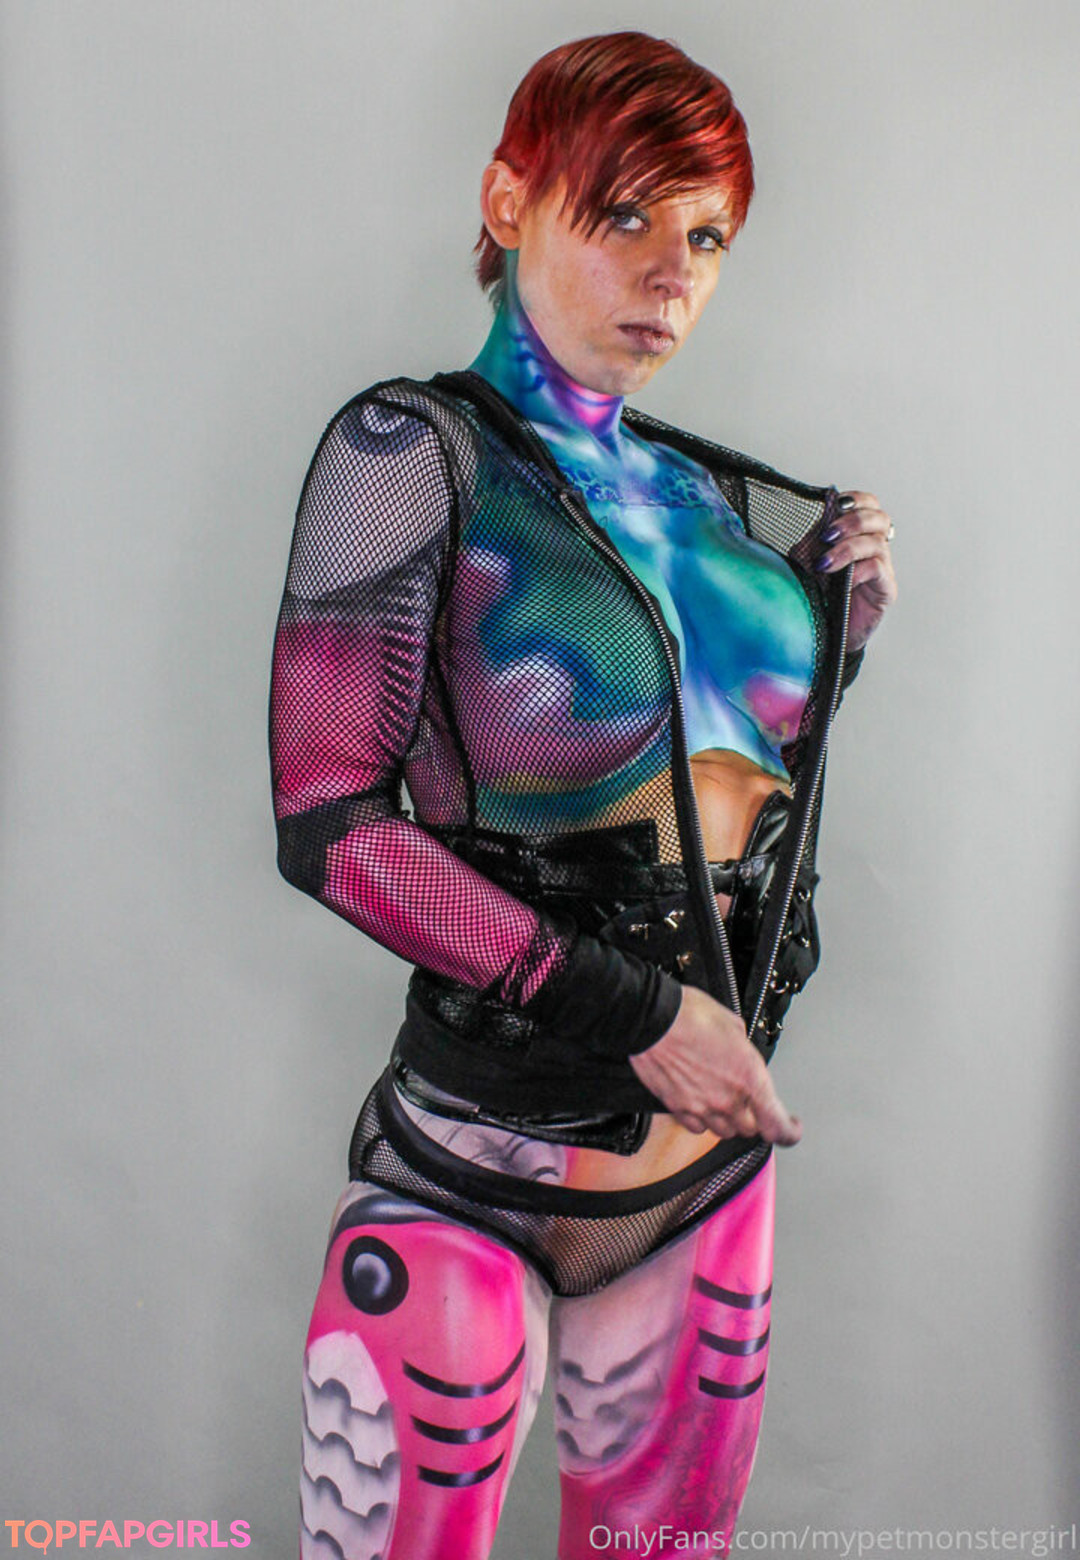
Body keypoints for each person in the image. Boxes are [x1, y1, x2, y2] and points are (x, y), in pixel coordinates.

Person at [269, 30, 896, 1560]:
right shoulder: (413, 452)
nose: (670, 277)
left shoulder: (716, 501)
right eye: (623, 217)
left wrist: (840, 638)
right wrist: (640, 1014)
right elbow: (331, 824)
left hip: (702, 1178)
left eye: (707, 238)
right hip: (475, 1165)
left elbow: (705, 800)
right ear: (507, 201)